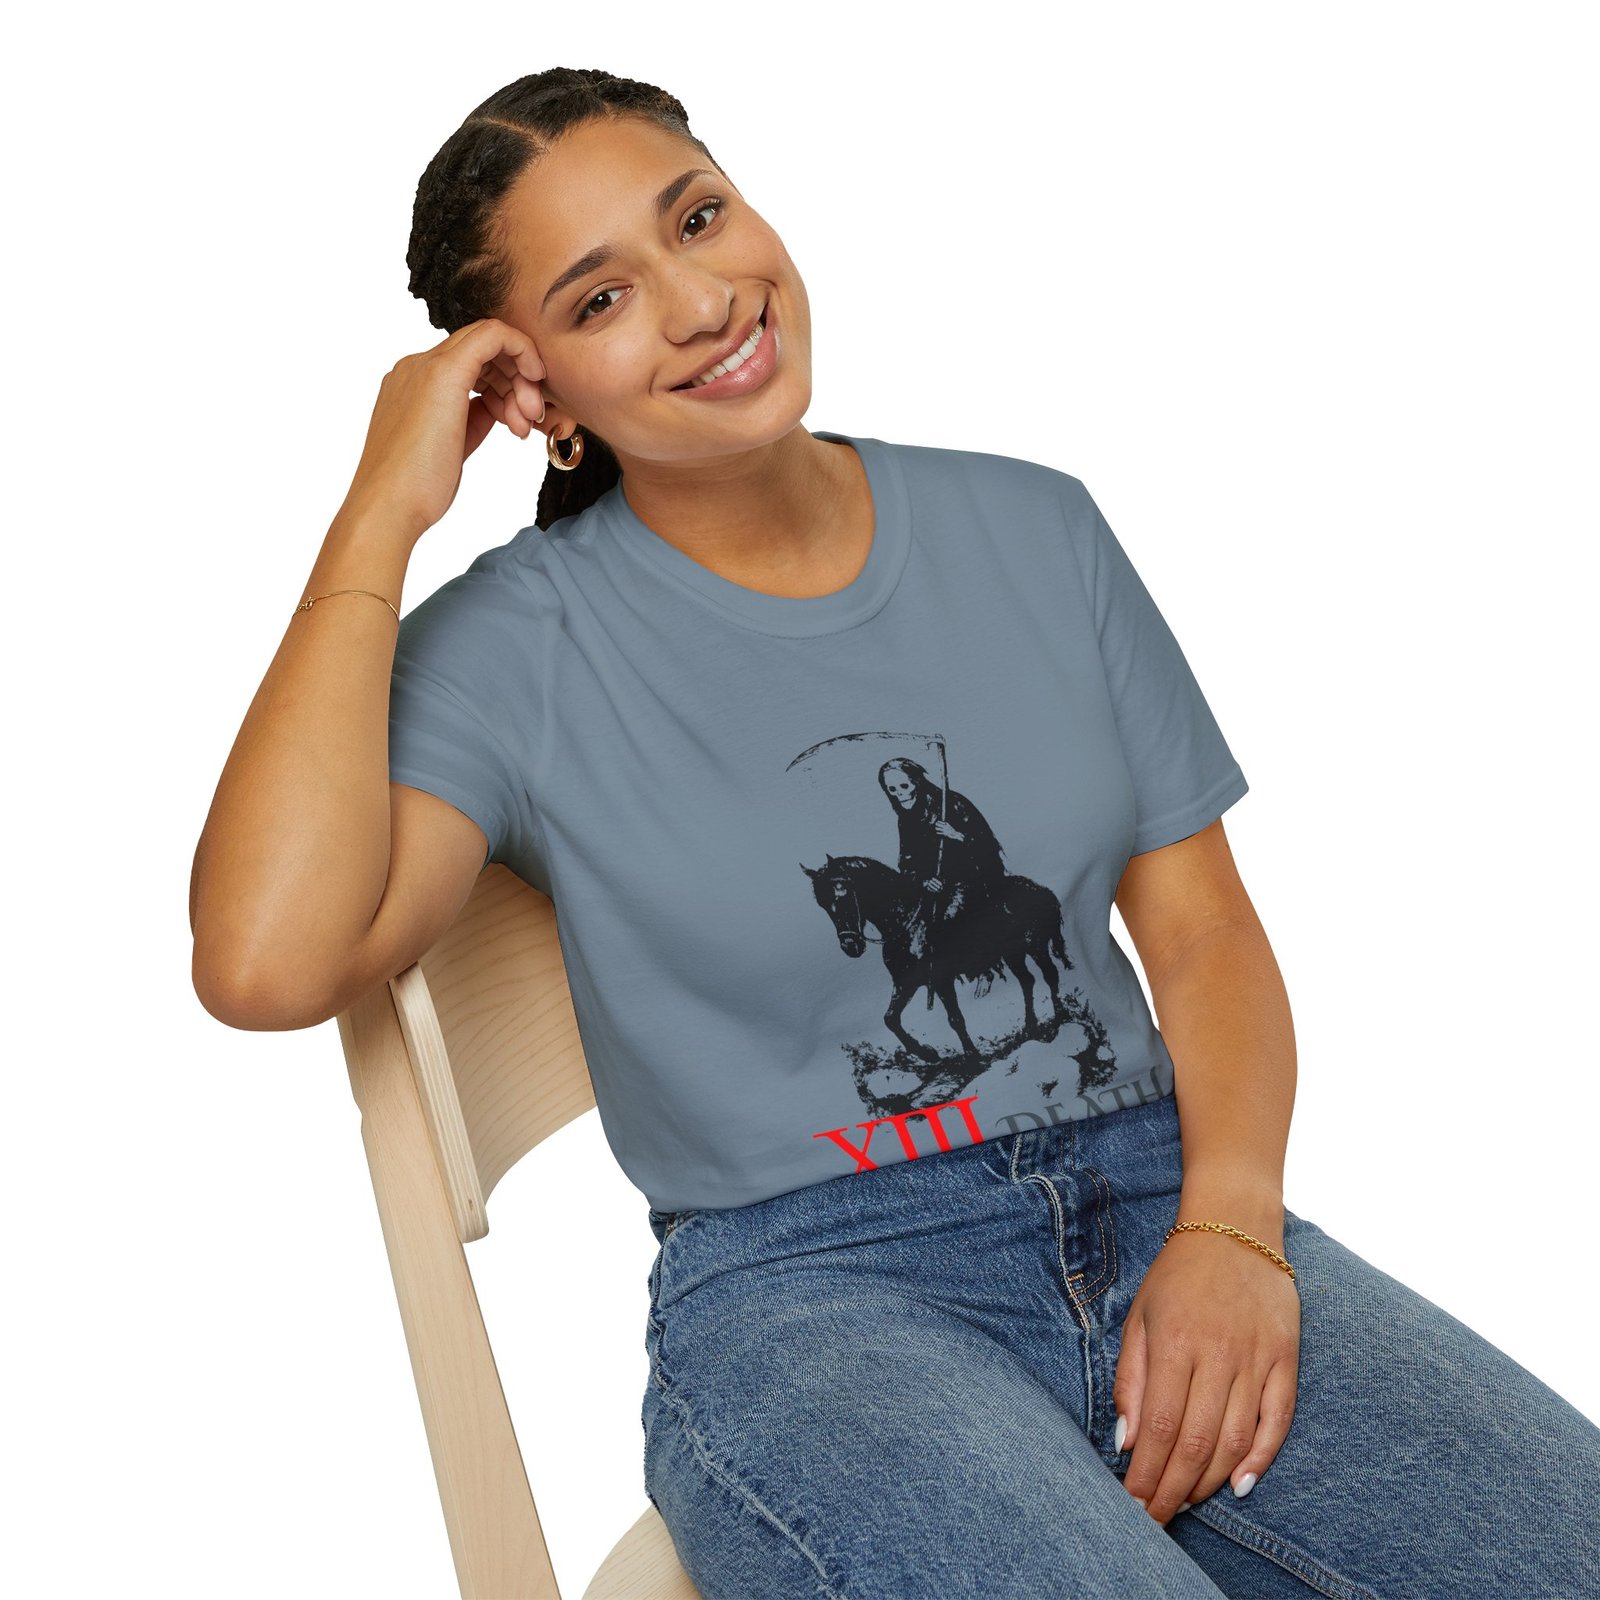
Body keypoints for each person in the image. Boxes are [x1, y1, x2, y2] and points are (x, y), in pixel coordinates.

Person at [188, 67, 1600, 1598]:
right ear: (539, 399)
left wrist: (1236, 1230)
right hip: (815, 1297)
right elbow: (265, 961)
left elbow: (1202, 936)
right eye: (601, 299)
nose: (702, 302)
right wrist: (379, 512)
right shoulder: (518, 647)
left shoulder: (1038, 530)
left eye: (698, 219)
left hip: (1165, 1197)